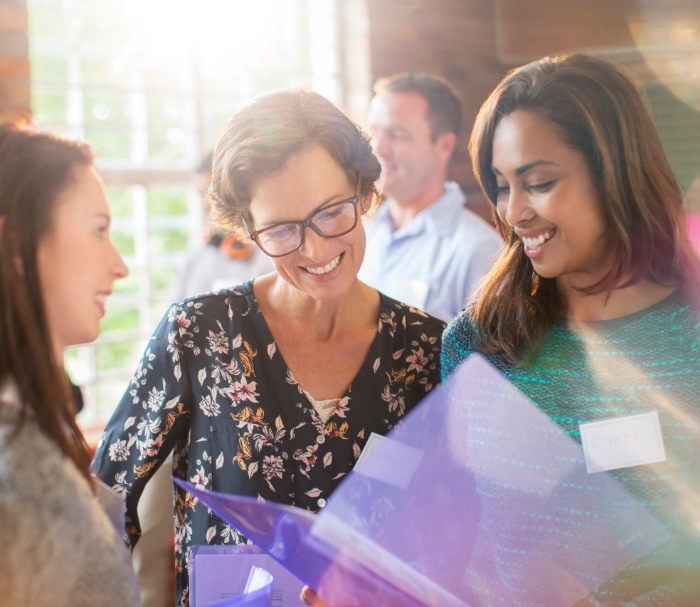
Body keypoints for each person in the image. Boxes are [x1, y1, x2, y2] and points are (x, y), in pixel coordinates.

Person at [92, 88, 446, 607]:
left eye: (332, 213)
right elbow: (103, 507)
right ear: (248, 231)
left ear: (364, 192)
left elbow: (452, 531)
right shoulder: (200, 332)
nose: (316, 249)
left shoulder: (424, 350)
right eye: (282, 230)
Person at [441, 53, 700, 605]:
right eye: (501, 185)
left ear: (615, 172)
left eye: (537, 182)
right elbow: (459, 534)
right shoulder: (476, 344)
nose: (513, 212)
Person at [0, 122, 138, 605]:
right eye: (99, 231)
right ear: (18, 244)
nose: (119, 265)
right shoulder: (16, 468)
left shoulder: (34, 422)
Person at [358, 72, 503, 322]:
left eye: (397, 134)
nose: (378, 148)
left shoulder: (479, 251)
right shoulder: (363, 233)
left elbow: (492, 358)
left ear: (444, 145)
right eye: (374, 131)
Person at [174, 152, 272, 300]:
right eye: (201, 194)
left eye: (212, 193)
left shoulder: (271, 253)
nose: (205, 204)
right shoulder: (195, 258)